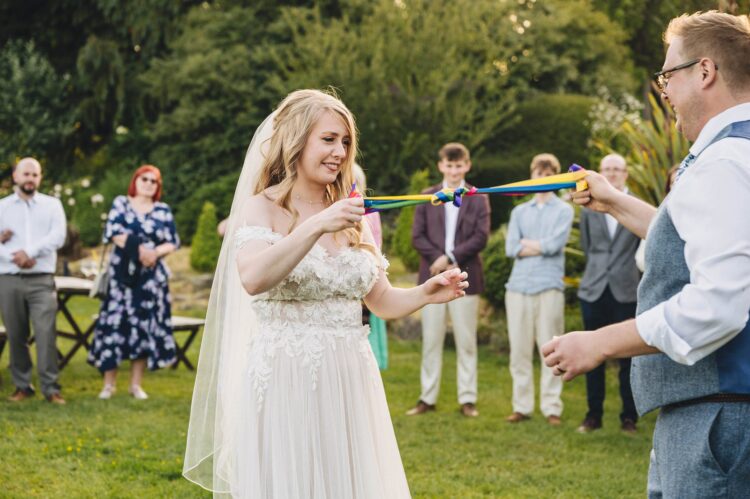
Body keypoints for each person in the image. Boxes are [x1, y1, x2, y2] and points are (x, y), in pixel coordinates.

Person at [183, 89, 468, 497]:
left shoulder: (354, 214)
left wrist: (424, 292)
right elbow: (254, 278)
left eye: (346, 142)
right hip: (287, 374)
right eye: (329, 139)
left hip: (350, 374)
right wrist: (316, 225)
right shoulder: (262, 208)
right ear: (297, 141)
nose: (339, 151)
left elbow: (380, 299)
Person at [542, 11, 750, 497]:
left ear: (704, 71)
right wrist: (613, 201)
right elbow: (698, 244)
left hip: (718, 415)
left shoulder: (723, 161)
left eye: (667, 76)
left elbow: (717, 305)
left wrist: (598, 343)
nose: (666, 93)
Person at [407, 143, 490, 418]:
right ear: (441, 165)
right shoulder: (428, 196)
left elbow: (481, 236)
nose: (454, 171)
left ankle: (468, 398)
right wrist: (438, 260)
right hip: (432, 277)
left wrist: (452, 256)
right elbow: (417, 235)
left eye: (459, 166)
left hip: (466, 276)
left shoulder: (477, 197)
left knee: (466, 340)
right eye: (449, 165)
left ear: (467, 165)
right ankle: (426, 397)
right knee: (431, 339)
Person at [88, 165, 180, 400]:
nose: (149, 183)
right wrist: (140, 251)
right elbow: (113, 232)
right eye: (145, 179)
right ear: (136, 181)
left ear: (158, 186)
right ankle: (109, 384)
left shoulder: (163, 210)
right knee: (114, 327)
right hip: (121, 278)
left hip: (150, 281)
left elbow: (172, 241)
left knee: (142, 329)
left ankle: (135, 385)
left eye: (154, 181)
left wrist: (155, 253)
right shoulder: (121, 203)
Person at [504, 153, 573, 426]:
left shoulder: (564, 210)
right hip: (518, 287)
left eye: (548, 174)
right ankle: (521, 405)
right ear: (531, 175)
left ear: (555, 178)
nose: (542, 179)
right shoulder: (519, 211)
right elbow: (511, 248)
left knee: (551, 349)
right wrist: (539, 245)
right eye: (538, 173)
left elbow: (554, 246)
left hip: (549, 287)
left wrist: (529, 245)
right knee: (519, 350)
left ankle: (551, 406)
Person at [576, 153, 640, 434]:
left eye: (617, 169)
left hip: (626, 290)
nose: (612, 173)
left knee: (629, 358)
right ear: (600, 173)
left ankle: (629, 417)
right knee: (592, 354)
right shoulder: (588, 207)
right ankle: (593, 415)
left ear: (625, 174)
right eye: (607, 169)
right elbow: (588, 247)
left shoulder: (635, 206)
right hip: (594, 288)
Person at [0, 157, 67, 404]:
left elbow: (58, 236)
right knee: (16, 334)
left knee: (45, 332)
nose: (30, 179)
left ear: (40, 178)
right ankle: (22, 386)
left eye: (35, 175)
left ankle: (51, 388)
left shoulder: (52, 205)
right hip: (9, 278)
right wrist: (13, 256)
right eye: (26, 174)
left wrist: (30, 252)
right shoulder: (2, 207)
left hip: (41, 279)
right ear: (15, 177)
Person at [353, 163, 389, 370]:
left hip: (365, 273)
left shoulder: (370, 212)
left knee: (366, 324)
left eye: (356, 183)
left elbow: (376, 243)